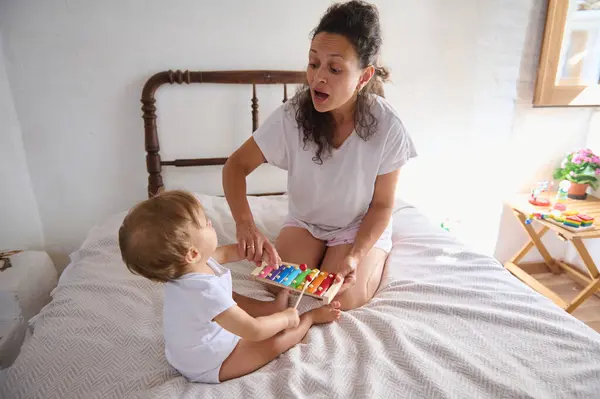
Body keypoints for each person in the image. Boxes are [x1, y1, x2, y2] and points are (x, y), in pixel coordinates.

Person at [223, 0, 417, 311]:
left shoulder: (387, 125)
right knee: (278, 285)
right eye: (314, 64)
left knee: (341, 297)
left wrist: (355, 255)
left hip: (358, 225)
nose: (318, 78)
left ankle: (359, 256)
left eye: (335, 68)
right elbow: (236, 166)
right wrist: (245, 223)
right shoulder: (292, 116)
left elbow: (382, 205)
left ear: (364, 77)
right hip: (306, 221)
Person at [118, 190, 341, 384]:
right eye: (205, 222)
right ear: (193, 253)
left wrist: (253, 251)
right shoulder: (205, 294)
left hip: (191, 349)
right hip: (211, 363)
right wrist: (286, 319)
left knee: (230, 297)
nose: (211, 222)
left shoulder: (185, 268)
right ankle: (310, 318)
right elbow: (254, 331)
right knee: (274, 342)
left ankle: (271, 307)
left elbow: (225, 253)